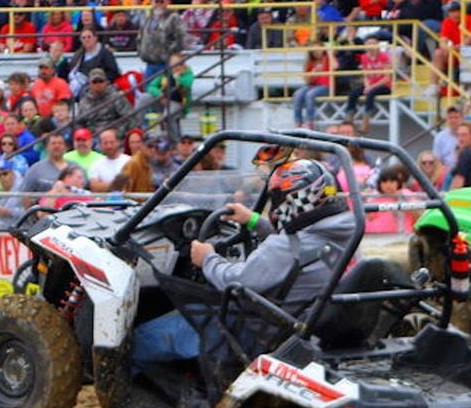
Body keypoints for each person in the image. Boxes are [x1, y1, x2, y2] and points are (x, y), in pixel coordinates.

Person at [130, 158, 357, 379]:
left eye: (275, 200)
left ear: (293, 200)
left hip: (254, 329)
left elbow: (233, 280)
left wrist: (207, 258)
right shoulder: (346, 234)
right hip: (300, 325)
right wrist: (255, 221)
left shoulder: (283, 248)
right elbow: (299, 243)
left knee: (143, 339)